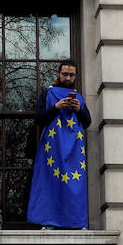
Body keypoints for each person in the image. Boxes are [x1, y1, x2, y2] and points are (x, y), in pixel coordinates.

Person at [28, 60, 92, 229]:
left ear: (75, 76)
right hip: (52, 149)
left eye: (71, 75)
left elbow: (88, 122)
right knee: (50, 183)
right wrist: (56, 107)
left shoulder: (80, 98)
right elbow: (39, 118)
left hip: (74, 151)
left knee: (74, 184)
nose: (68, 78)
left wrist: (80, 110)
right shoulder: (47, 94)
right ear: (58, 74)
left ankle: (76, 222)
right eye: (65, 74)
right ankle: (48, 221)